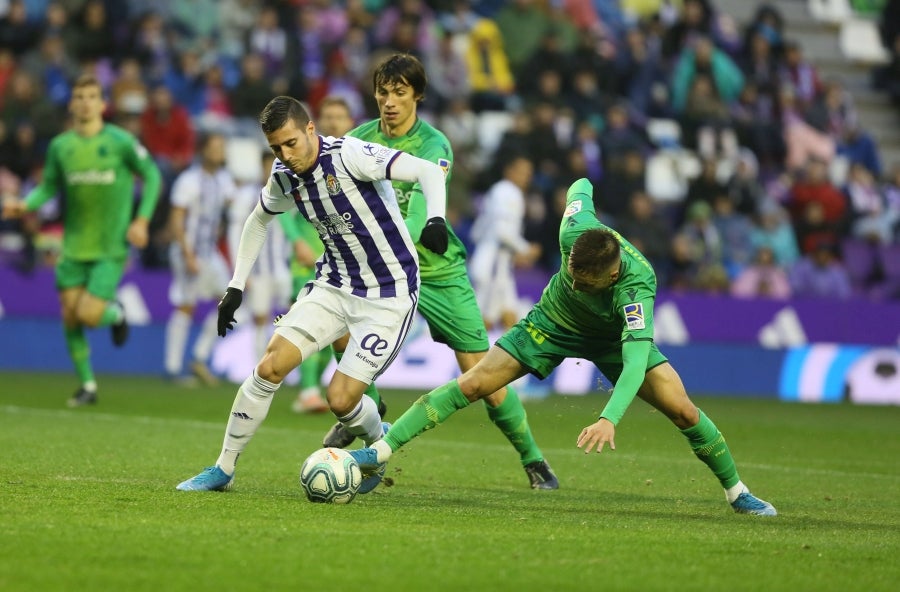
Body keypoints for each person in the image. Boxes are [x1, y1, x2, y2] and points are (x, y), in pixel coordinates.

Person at [349, 178, 778, 516]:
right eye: (570, 271)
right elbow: (581, 185)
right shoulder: (574, 229)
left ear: (610, 278)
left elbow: (632, 366)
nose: (573, 281)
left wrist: (609, 418)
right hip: (551, 323)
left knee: (683, 409)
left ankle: (737, 492)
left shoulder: (636, 287)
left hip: (612, 341)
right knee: (474, 383)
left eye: (583, 281)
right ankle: (379, 451)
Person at [175, 95, 449, 492]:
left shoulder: (351, 155)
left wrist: (437, 219)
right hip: (334, 284)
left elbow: (429, 171)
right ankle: (224, 468)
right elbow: (257, 221)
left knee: (340, 399)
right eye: (275, 148)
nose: (285, 155)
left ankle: (375, 442)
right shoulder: (283, 175)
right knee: (269, 366)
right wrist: (235, 287)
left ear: (310, 130)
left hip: (389, 293)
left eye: (291, 143)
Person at [325, 53, 559, 490]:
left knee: (484, 377)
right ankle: (366, 414)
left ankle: (533, 459)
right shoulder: (356, 140)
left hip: (436, 272)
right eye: (383, 92)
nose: (389, 102)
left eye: (399, 92)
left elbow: (417, 212)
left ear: (417, 95)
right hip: (379, 271)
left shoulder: (435, 146)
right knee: (337, 329)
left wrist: (384, 242)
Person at [1, 74, 161, 407]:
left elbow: (152, 175)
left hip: (109, 246)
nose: (85, 102)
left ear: (103, 104)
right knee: (70, 315)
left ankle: (116, 314)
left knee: (89, 315)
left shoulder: (120, 141)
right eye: (79, 96)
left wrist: (142, 220)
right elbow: (48, 186)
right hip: (73, 246)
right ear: (72, 104)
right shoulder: (61, 147)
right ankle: (87, 385)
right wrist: (25, 204)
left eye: (91, 96)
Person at [283, 96, 357, 414]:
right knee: (311, 325)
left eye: (340, 116)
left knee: (337, 331)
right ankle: (308, 389)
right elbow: (282, 204)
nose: (334, 122)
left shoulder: (357, 160)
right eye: (328, 116)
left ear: (351, 122)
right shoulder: (304, 159)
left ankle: (317, 388)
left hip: (346, 264)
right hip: (308, 258)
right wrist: (295, 240)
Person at [164, 132, 237, 386]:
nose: (219, 151)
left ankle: (199, 357)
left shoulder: (224, 180)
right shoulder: (189, 180)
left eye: (221, 147)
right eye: (215, 146)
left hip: (210, 252)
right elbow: (177, 218)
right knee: (186, 305)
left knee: (230, 301)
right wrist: (187, 254)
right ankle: (172, 369)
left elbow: (231, 207)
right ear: (203, 150)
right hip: (189, 251)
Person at [469, 154, 541, 331]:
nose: (526, 177)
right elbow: (502, 230)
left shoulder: (498, 191)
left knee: (509, 315)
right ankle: (477, 359)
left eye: (529, 173)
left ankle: (510, 358)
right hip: (494, 266)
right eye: (522, 172)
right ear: (509, 171)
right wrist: (525, 249)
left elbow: (477, 231)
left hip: (496, 262)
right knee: (484, 322)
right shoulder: (508, 192)